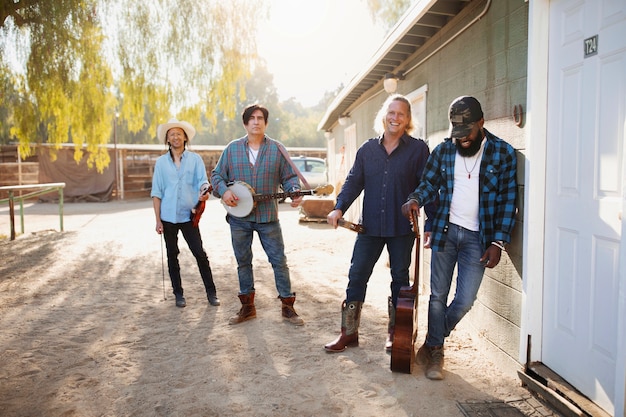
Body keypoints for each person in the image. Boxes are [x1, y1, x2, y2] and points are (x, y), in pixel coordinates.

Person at [401, 96, 517, 380]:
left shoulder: (503, 153)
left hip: (479, 238)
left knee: (465, 299)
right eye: (458, 133)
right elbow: (429, 184)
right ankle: (437, 353)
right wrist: (415, 199)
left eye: (469, 132)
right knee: (438, 296)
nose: (463, 139)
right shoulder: (443, 151)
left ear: (481, 123)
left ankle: (431, 343)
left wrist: (497, 242)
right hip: (445, 230)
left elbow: (508, 199)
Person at [324, 94, 433, 353]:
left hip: (401, 228)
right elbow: (353, 182)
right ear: (383, 116)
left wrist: (430, 225)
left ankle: (396, 333)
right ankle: (348, 333)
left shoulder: (418, 150)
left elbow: (428, 187)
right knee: (357, 275)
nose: (395, 118)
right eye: (391, 112)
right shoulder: (367, 150)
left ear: (408, 120)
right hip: (369, 227)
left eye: (401, 114)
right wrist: (339, 208)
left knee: (399, 279)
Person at [210, 104, 304, 326]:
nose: (256, 121)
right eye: (251, 118)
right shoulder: (231, 149)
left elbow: (289, 177)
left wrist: (294, 192)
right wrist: (224, 192)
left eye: (260, 118)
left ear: (266, 123)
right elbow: (216, 177)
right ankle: (247, 308)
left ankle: (288, 307)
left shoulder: (277, 149)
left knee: (279, 261)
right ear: (245, 123)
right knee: (243, 262)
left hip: (268, 217)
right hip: (239, 218)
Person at [151, 118, 220, 308]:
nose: (175, 137)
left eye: (179, 134)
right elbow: (156, 193)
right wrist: (158, 220)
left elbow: (202, 182)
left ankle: (211, 293)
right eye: (171, 134)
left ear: (185, 138)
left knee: (199, 253)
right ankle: (178, 294)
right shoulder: (161, 163)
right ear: (167, 139)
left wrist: (205, 191)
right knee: (172, 255)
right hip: (168, 217)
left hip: (189, 216)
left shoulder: (195, 159)